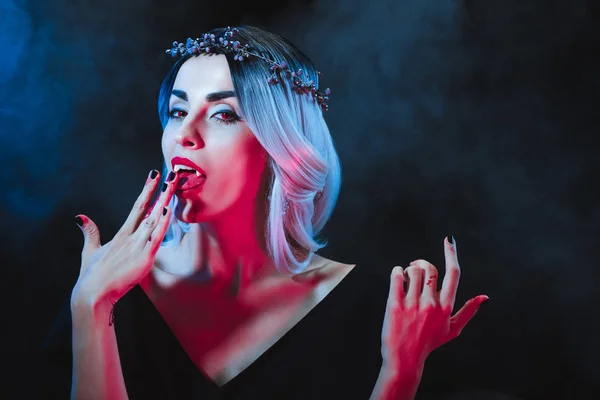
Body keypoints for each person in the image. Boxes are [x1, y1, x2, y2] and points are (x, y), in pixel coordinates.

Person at [42, 25, 489, 400]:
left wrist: (401, 375)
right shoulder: (106, 294)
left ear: (281, 147)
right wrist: (91, 309)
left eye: (222, 115)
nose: (185, 134)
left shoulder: (378, 311)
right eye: (178, 111)